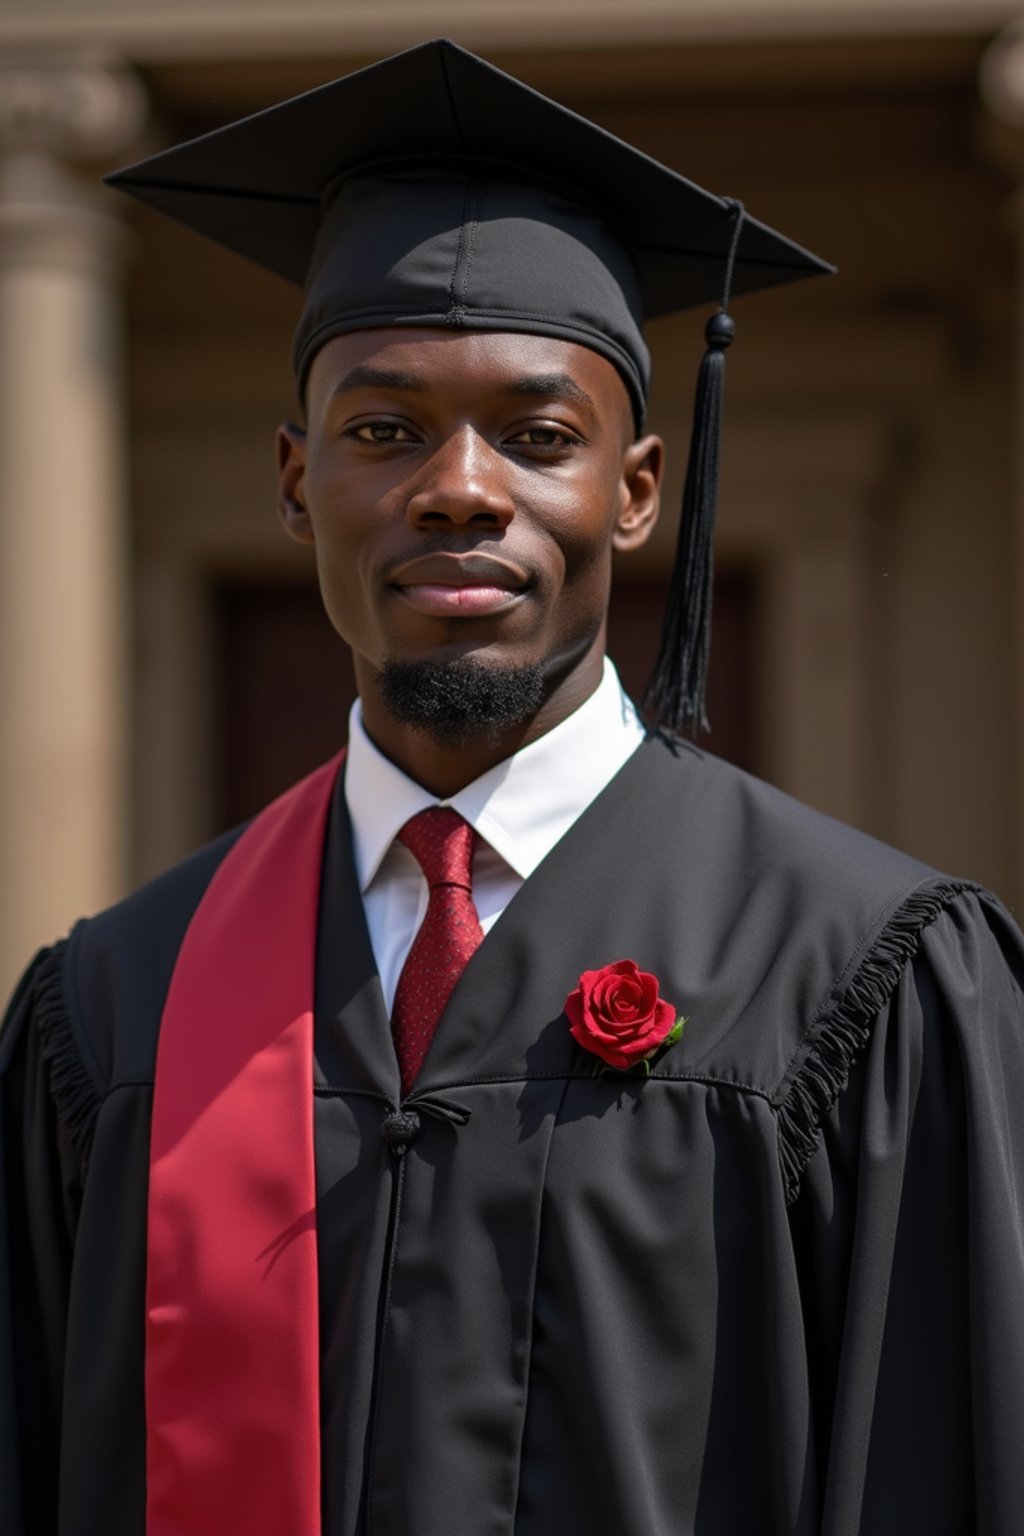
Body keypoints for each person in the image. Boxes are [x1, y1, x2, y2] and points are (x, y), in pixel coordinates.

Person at [2, 38, 1023, 1536]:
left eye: (538, 437)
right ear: (297, 483)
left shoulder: (864, 978)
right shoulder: (115, 1008)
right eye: (383, 430)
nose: (460, 488)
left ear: (635, 487)